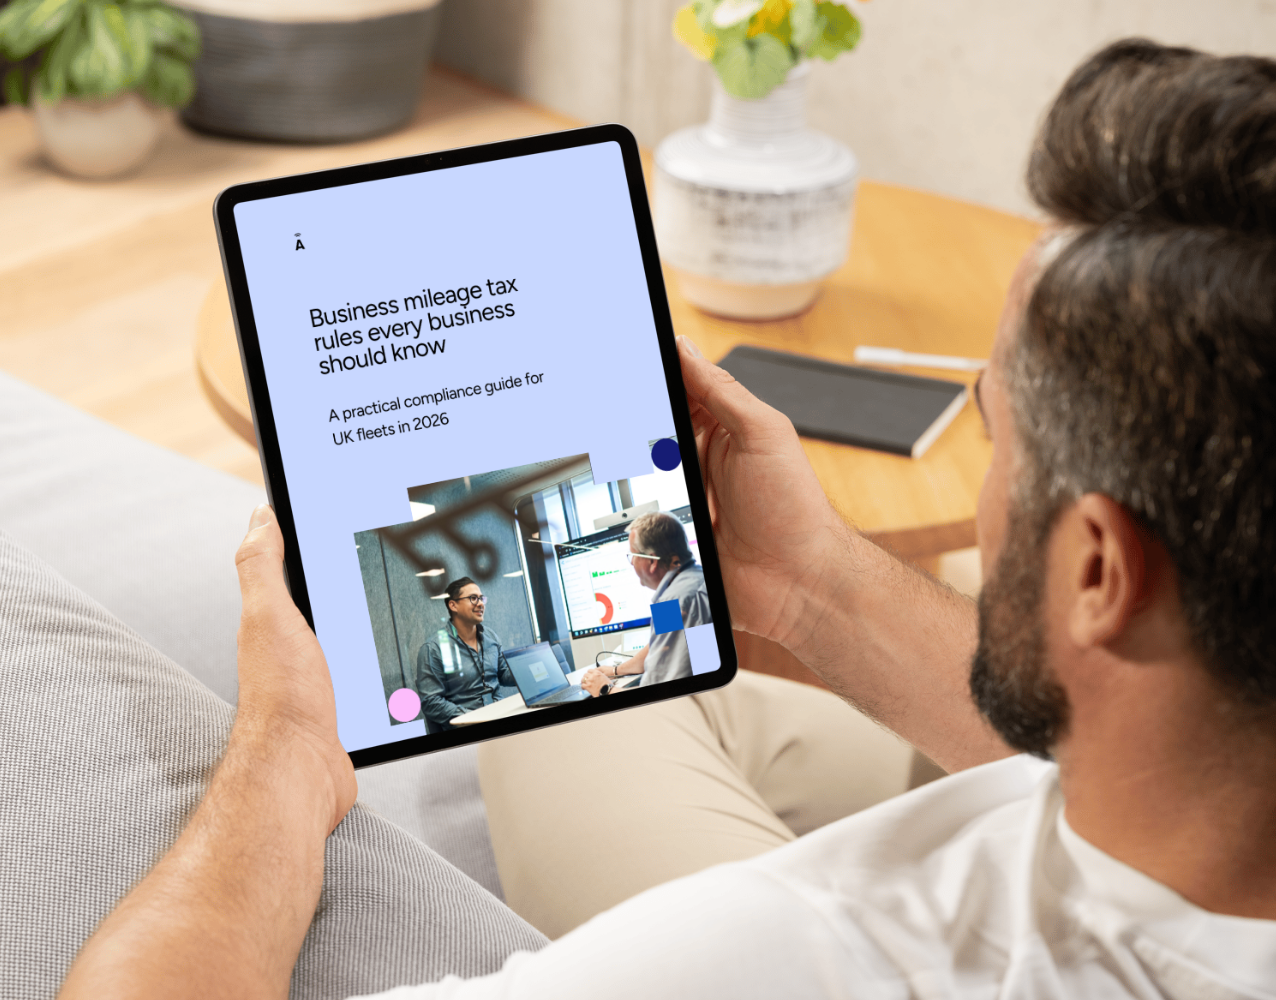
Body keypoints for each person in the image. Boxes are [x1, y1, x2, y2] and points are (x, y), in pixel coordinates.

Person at [57, 40, 1276, 999]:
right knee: (629, 650)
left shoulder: (808, 950)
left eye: (993, 423)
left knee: (563, 696)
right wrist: (810, 583)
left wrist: (283, 750)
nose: (985, 456)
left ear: (1100, 571)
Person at [579, 511, 711, 697]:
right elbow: (662, 650)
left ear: (651, 561)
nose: (631, 562)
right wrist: (617, 671)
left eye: (633, 555)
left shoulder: (673, 601)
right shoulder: (692, 583)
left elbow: (656, 699)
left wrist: (604, 688)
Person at [414, 576, 516, 730]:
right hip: (469, 726)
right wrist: (473, 717)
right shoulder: (434, 648)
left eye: (481, 598)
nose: (480, 603)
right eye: (473, 598)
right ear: (453, 605)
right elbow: (431, 701)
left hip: (500, 715)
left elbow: (502, 674)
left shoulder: (491, 637)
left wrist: (528, 672)